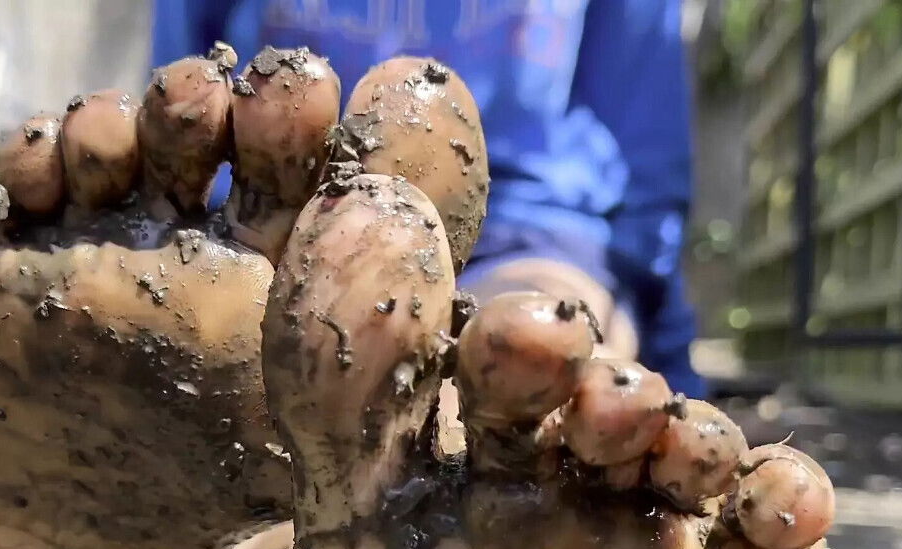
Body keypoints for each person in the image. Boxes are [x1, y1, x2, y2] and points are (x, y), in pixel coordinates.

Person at [152, 0, 704, 397]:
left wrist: (657, 330)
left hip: (527, 229)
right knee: (234, 323)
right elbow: (187, 108)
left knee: (532, 337)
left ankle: (296, 489)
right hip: (277, 221)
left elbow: (646, 165)